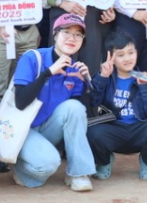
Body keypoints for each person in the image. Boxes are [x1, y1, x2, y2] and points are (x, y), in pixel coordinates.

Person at [10, 13, 97, 191]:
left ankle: (79, 173)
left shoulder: (75, 69)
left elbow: (78, 116)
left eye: (78, 34)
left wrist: (87, 81)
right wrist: (47, 73)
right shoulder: (33, 57)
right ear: (55, 34)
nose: (72, 38)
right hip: (23, 130)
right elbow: (20, 101)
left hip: (48, 130)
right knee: (48, 164)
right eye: (66, 32)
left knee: (75, 107)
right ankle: (20, 167)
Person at [88, 30, 147, 181]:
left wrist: (145, 89)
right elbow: (93, 105)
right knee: (92, 130)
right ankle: (104, 161)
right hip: (114, 129)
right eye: (120, 55)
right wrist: (102, 78)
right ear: (111, 57)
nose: (127, 58)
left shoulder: (143, 78)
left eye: (131, 52)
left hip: (138, 130)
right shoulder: (105, 77)